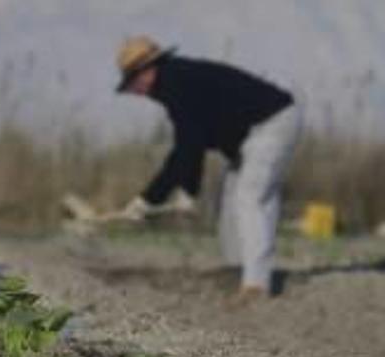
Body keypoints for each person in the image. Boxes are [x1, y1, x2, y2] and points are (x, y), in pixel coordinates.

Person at [114, 36, 302, 303]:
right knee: (229, 200)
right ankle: (239, 271)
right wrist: (175, 195)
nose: (136, 91)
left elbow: (188, 147)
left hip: (272, 124)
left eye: (133, 83)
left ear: (147, 71)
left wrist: (152, 198)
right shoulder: (176, 81)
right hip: (249, 138)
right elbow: (191, 143)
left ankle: (256, 285)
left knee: (251, 197)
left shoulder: (176, 83)